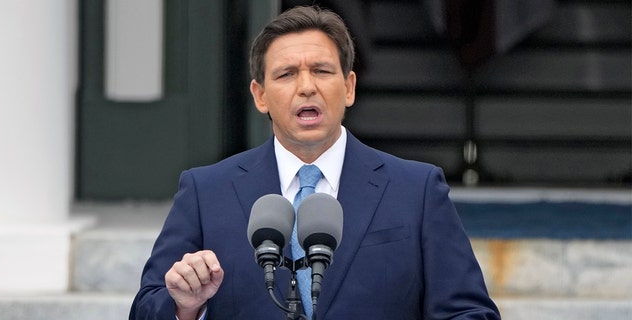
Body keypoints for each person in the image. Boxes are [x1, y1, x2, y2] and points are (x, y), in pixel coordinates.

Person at [130, 6, 500, 320]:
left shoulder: (416, 190)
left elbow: (468, 312)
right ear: (260, 96)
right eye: (286, 74)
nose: (306, 87)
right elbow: (146, 307)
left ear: (349, 87)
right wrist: (185, 307)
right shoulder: (205, 191)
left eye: (322, 71)